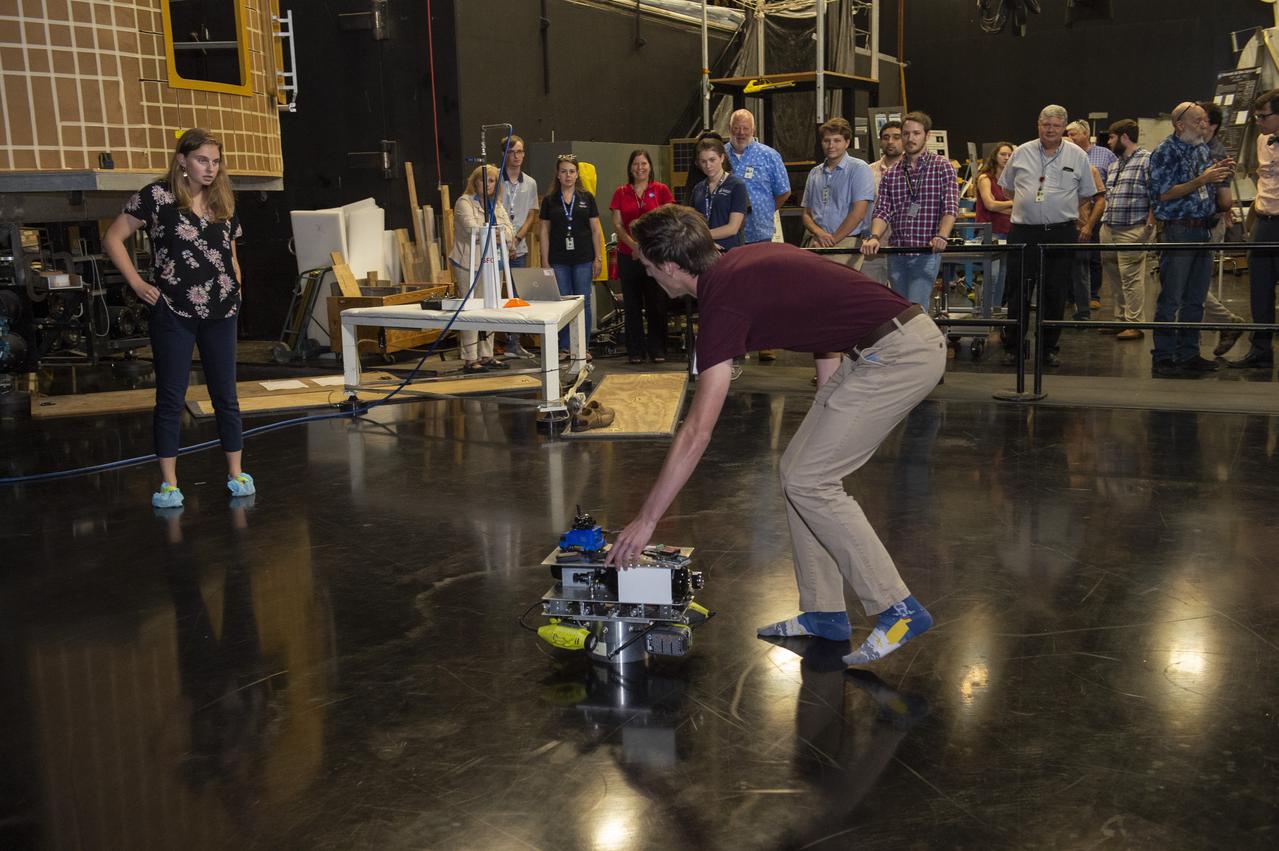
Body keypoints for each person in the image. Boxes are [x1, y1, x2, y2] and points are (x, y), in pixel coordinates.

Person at [606, 205, 946, 668]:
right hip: (877, 347)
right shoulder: (739, 263)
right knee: (797, 472)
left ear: (669, 266)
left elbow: (698, 430)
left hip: (899, 354)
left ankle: (898, 608)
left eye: (646, 264)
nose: (646, 273)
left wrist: (647, 521)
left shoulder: (722, 303)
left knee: (810, 480)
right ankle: (825, 612)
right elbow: (823, 306)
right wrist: (829, 405)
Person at [103, 128, 253, 508]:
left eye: (216, 161)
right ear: (182, 160)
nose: (211, 168)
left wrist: (237, 284)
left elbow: (230, 251)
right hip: (173, 309)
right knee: (171, 397)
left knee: (226, 395)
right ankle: (169, 484)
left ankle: (236, 473)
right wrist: (137, 283)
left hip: (222, 310)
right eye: (203, 160)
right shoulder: (157, 197)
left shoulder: (222, 199)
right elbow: (113, 238)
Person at [998, 104, 1102, 368]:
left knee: (1055, 293)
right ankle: (1013, 348)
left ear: (1063, 127)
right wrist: (1030, 205)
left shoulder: (1078, 155)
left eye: (1056, 126)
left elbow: (1086, 194)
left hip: (1060, 232)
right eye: (1046, 125)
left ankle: (1048, 349)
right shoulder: (1021, 152)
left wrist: (1059, 208)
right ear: (1038, 125)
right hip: (1023, 232)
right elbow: (1008, 189)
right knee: (1018, 291)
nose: (1050, 130)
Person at [1147, 101, 1233, 377]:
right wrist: (1201, 180)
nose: (1204, 126)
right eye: (1198, 121)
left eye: (1205, 120)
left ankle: (1189, 353)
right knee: (1171, 296)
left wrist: (1219, 174)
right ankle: (1163, 356)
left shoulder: (1201, 149)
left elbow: (1206, 185)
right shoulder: (1165, 151)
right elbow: (1163, 194)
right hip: (1178, 229)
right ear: (1180, 124)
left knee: (1196, 297)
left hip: (1203, 228)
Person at [860, 110, 958, 308]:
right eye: (906, 133)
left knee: (916, 308)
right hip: (897, 253)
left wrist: (942, 235)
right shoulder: (892, 174)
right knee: (900, 310)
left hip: (925, 251)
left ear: (927, 135)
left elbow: (950, 206)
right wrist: (875, 236)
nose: (910, 138)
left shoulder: (942, 167)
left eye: (916, 133)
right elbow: (882, 210)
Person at [727, 108, 791, 362]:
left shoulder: (769, 155)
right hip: (729, 235)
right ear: (730, 129)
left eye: (746, 128)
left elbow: (784, 191)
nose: (741, 132)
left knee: (763, 289)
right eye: (737, 128)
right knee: (735, 291)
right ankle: (737, 341)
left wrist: (765, 210)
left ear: (753, 130)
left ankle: (766, 342)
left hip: (760, 232)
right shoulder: (720, 155)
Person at [610, 149, 676, 363]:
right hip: (628, 255)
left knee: (656, 303)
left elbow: (668, 221)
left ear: (650, 166)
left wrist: (647, 248)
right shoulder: (621, 192)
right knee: (632, 305)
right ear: (630, 168)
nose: (640, 168)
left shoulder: (661, 190)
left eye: (644, 163)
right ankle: (635, 350)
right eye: (636, 164)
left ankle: (658, 349)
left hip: (655, 255)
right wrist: (634, 246)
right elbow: (617, 224)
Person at [449, 163, 514, 373]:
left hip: (494, 263)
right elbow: (472, 230)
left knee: (491, 308)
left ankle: (487, 355)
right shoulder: (464, 202)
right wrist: (497, 234)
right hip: (470, 263)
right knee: (471, 309)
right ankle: (470, 358)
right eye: (483, 180)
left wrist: (497, 234)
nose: (487, 184)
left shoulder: (497, 205)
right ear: (475, 182)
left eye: (492, 181)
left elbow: (509, 232)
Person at [1231, 88, 1279, 370]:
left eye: (1264, 116)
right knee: (1260, 289)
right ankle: (1260, 350)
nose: (1259, 122)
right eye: (1256, 117)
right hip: (1263, 220)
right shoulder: (1262, 139)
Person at [540, 154, 603, 356]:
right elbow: (544, 231)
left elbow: (595, 230)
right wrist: (544, 261)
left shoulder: (587, 198)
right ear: (557, 175)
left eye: (572, 171)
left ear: (577, 175)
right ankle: (566, 346)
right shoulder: (549, 200)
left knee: (583, 301)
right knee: (564, 303)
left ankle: (582, 347)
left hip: (583, 258)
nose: (568, 175)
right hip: (558, 259)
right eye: (564, 171)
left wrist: (598, 257)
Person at [1198, 101, 1247, 358]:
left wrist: (1219, 209)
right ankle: (1226, 323)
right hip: (1203, 221)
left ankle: (1228, 322)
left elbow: (1224, 199)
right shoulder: (1200, 148)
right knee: (1185, 282)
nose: (1197, 123)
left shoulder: (1215, 153)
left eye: (1201, 119)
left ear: (1213, 125)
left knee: (1191, 282)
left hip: (1207, 223)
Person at [1098, 119, 1154, 341]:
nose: (1109, 142)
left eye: (1112, 137)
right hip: (1109, 227)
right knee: (1115, 278)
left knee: (1131, 278)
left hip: (1133, 228)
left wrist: (1149, 226)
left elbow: (1156, 195)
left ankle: (1135, 323)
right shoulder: (1115, 164)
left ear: (1124, 137)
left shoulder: (1147, 160)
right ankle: (1121, 319)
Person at [800, 117, 875, 269]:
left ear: (847, 143)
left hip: (846, 242)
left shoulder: (859, 169)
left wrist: (831, 240)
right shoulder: (815, 173)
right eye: (826, 140)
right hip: (816, 242)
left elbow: (858, 213)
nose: (831, 145)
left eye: (837, 140)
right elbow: (806, 213)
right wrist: (819, 234)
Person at [1066, 120, 1117, 311]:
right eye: (1068, 135)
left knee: (1091, 258)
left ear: (1085, 134)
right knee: (1069, 261)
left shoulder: (1104, 156)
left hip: (1092, 214)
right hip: (1067, 219)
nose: (1070, 138)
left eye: (1073, 134)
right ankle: (1070, 297)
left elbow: (1111, 183)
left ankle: (1092, 296)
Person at [497, 133, 538, 359]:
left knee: (516, 297)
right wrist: (505, 240)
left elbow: (532, 214)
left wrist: (518, 239)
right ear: (504, 155)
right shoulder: (494, 179)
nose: (516, 156)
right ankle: (489, 344)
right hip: (496, 247)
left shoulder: (530, 183)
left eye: (519, 151)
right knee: (494, 294)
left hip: (518, 247)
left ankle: (514, 343)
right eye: (511, 152)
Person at [688, 136, 749, 251]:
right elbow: (692, 224)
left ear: (722, 158)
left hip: (729, 251)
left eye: (712, 160)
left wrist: (703, 237)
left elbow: (733, 228)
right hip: (703, 251)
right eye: (703, 161)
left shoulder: (736, 185)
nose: (708, 165)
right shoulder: (698, 188)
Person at [863, 120, 905, 285]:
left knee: (901, 297)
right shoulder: (867, 172)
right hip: (872, 248)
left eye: (896, 137)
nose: (890, 142)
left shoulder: (913, 171)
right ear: (880, 141)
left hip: (902, 247)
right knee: (871, 295)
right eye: (886, 137)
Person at [974, 142, 1015, 311]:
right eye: (1003, 154)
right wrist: (1013, 203)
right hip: (990, 231)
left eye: (1009, 155)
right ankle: (985, 311)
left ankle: (995, 311)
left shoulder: (1010, 180)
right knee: (993, 274)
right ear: (995, 156)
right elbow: (989, 205)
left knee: (1003, 275)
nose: (1006, 158)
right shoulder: (985, 178)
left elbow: (1002, 207)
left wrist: (1003, 207)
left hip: (1008, 231)